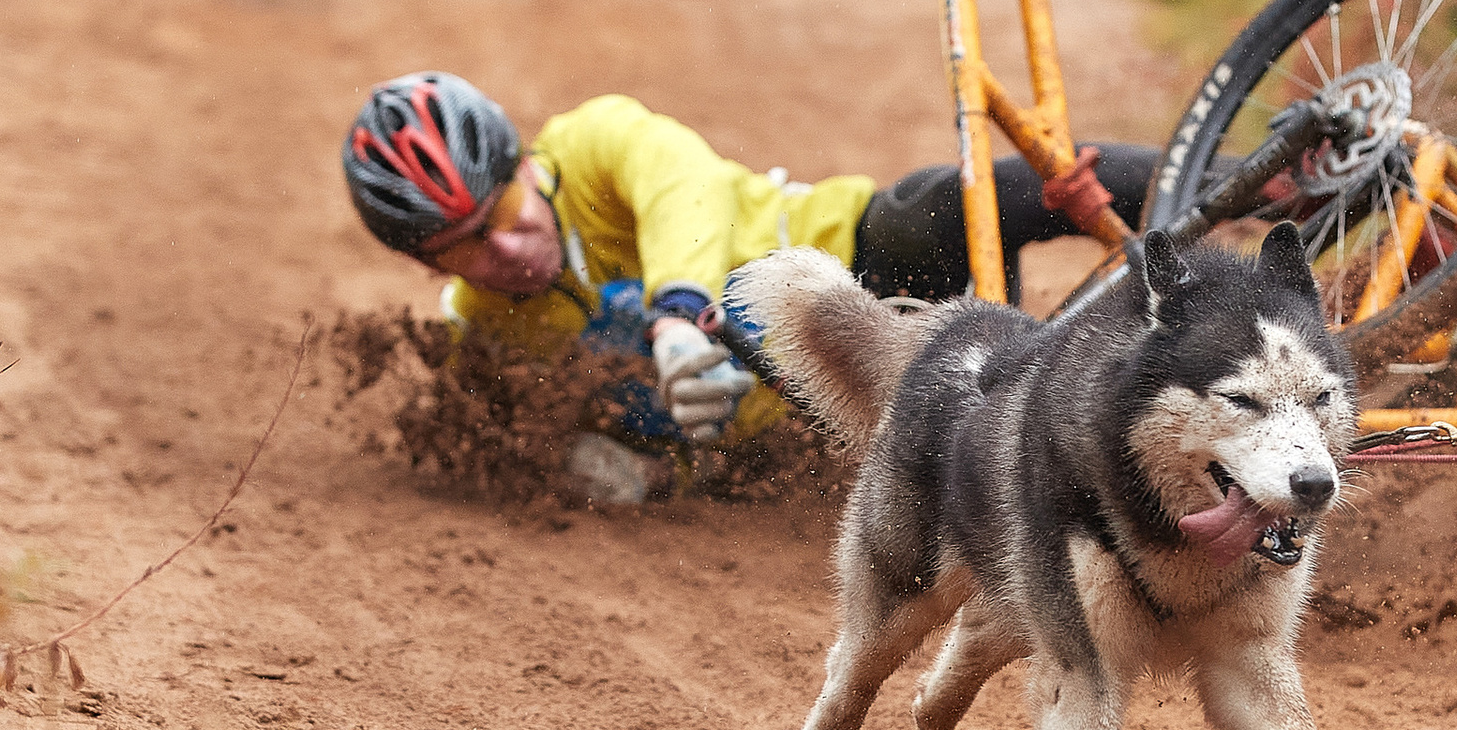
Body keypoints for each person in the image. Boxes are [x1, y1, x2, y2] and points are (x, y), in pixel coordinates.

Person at [341, 72, 1157, 498]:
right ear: (431, 267)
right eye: (467, 247)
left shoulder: (592, 141)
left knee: (954, 201)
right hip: (839, 422)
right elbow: (510, 441)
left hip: (849, 265)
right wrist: (601, 463)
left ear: (523, 163)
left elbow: (680, 182)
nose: (507, 248)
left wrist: (677, 311)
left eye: (504, 210)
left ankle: (1254, 181)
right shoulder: (478, 329)